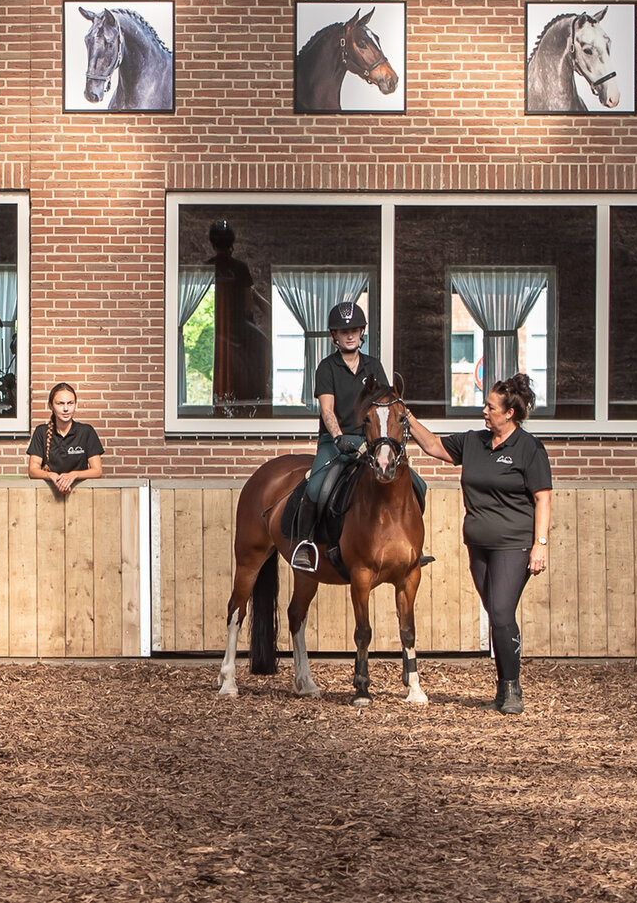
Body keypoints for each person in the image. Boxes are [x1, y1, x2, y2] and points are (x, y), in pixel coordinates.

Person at [406, 373, 552, 715]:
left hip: (514, 545)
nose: (484, 411)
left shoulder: (529, 449)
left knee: (501, 612)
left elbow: (543, 499)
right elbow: (433, 445)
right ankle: (502, 689)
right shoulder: (474, 442)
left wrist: (540, 544)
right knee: (497, 615)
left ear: (509, 413)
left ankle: (513, 690)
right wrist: (407, 418)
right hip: (478, 545)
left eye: (490, 407)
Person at [290, 300, 389, 572]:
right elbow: (327, 410)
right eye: (343, 331)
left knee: (414, 484)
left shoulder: (374, 367)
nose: (349, 335)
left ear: (362, 332)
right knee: (314, 488)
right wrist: (338, 437)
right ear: (334, 335)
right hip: (336, 443)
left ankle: (409, 544)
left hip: (369, 443)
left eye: (355, 329)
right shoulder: (326, 368)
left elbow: (384, 407)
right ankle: (306, 545)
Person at [207, 220, 270, 412]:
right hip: (236, 323)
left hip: (214, 322)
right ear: (231, 244)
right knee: (263, 345)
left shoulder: (207, 267)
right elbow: (247, 303)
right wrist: (248, 319)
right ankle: (260, 390)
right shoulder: (240, 268)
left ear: (212, 244)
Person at [27, 383, 104, 495]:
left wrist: (74, 475)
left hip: (82, 495)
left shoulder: (86, 431)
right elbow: (33, 471)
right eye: (60, 404)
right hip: (47, 495)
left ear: (75, 404)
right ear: (51, 406)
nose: (66, 409)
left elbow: (97, 471)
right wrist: (51, 476)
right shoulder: (41, 432)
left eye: (70, 403)